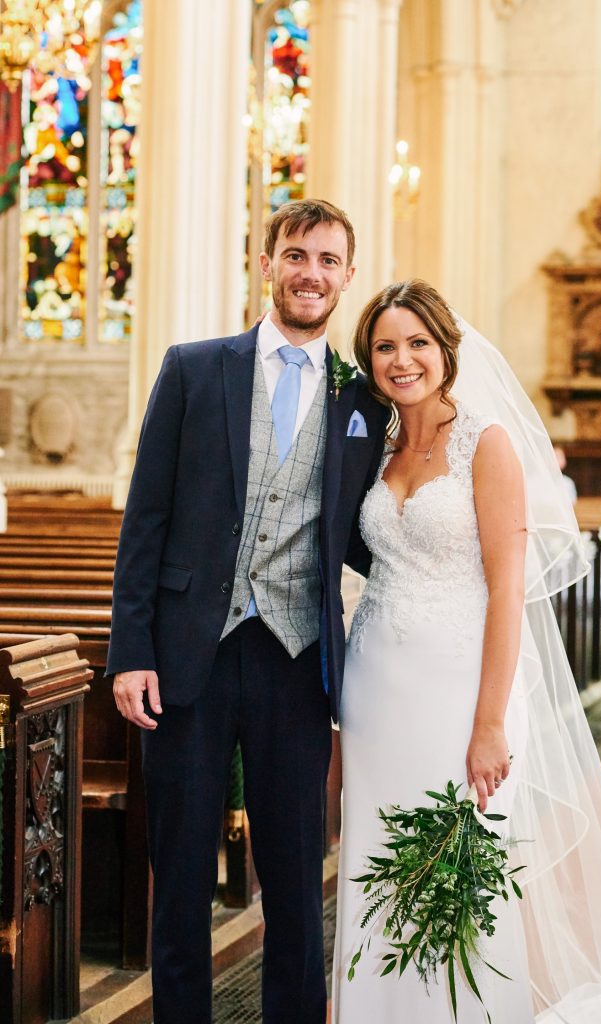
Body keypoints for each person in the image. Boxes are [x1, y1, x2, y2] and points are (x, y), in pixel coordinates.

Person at [331, 279, 601, 1023]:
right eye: (385, 347)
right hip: (375, 691)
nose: (401, 360)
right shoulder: (376, 443)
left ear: (445, 349)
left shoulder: (484, 443)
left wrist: (490, 723)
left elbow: (506, 591)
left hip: (462, 689)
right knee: (378, 866)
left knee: (457, 870)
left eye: (417, 343)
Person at [107, 198, 389, 1024]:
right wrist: (131, 651)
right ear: (267, 263)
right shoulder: (196, 369)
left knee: (298, 876)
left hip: (298, 664)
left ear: (346, 275)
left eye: (329, 260)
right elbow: (145, 519)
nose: (311, 273)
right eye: (297, 255)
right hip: (188, 658)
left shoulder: (362, 402)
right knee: (182, 873)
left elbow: (372, 533)